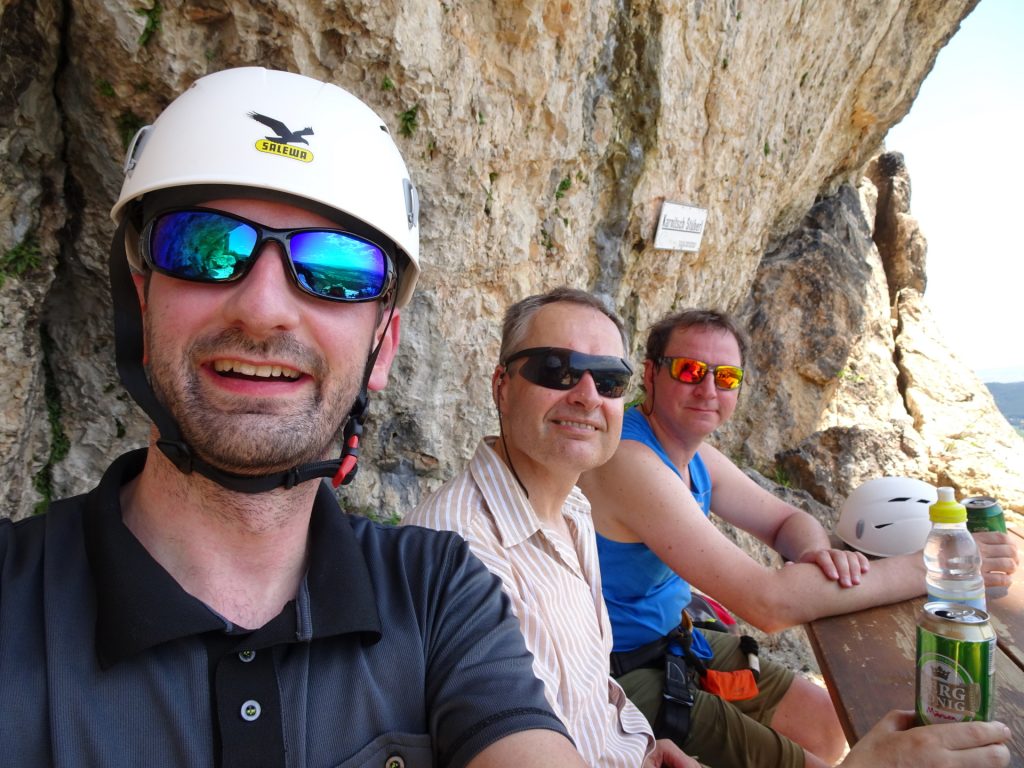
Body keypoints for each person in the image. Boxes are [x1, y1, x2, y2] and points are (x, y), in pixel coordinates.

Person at [0, 68, 588, 768]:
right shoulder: (12, 598)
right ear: (141, 305)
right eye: (203, 245)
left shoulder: (436, 594)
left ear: (382, 349)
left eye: (335, 265)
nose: (263, 307)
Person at [578, 308, 1019, 768]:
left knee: (826, 724)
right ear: (650, 374)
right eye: (689, 371)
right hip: (619, 671)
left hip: (675, 639)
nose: (708, 389)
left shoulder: (693, 453)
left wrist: (815, 554)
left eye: (725, 376)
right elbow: (768, 604)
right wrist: (934, 566)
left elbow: (784, 520)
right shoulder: (629, 459)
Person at [403, 288, 696, 768]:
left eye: (609, 380)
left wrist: (644, 749)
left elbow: (591, 685)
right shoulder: (458, 550)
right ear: (501, 385)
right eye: (555, 370)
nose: (586, 396)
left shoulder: (574, 507)